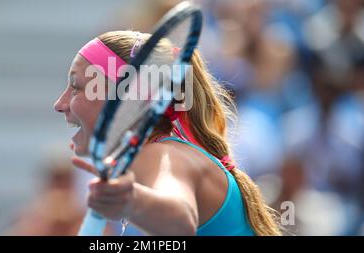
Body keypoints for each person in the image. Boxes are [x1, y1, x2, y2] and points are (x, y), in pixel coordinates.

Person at [53, 30, 281, 235]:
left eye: (76, 87)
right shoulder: (164, 152)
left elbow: (181, 219)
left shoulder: (161, 155)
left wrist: (131, 200)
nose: (59, 104)